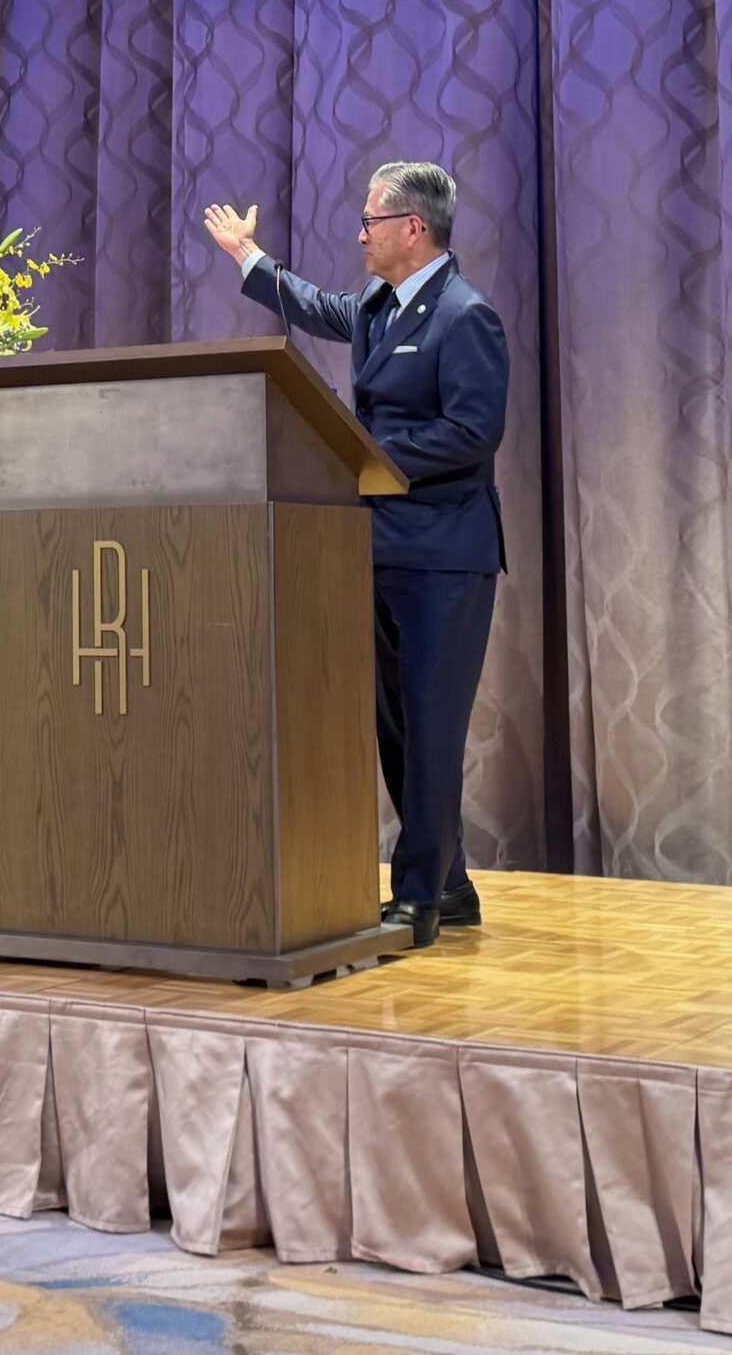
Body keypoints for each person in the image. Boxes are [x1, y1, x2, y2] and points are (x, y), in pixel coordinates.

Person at [204, 162, 510, 948]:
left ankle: (418, 899)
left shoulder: (465, 315)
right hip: (377, 546)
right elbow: (317, 308)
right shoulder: (379, 302)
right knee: (397, 729)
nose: (360, 233)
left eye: (371, 221)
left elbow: (473, 432)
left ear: (413, 228)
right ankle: (451, 884)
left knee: (433, 730)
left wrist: (363, 449)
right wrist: (248, 257)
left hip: (445, 555)